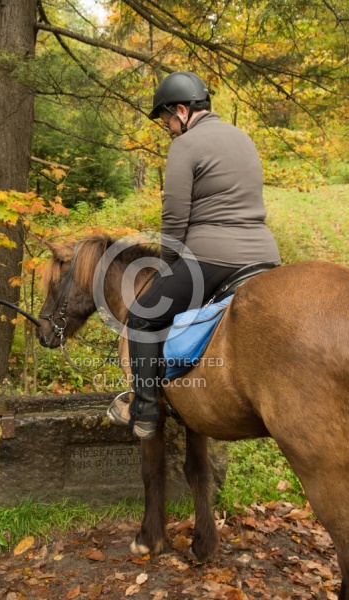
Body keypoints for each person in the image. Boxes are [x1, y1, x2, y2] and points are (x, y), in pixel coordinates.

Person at [107, 71, 281, 440]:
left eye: (168, 120)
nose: (169, 128)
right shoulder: (242, 137)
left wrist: (169, 265)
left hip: (211, 260)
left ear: (182, 111)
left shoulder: (185, 146)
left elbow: (174, 216)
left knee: (140, 317)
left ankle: (145, 410)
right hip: (265, 258)